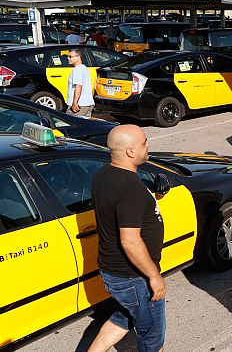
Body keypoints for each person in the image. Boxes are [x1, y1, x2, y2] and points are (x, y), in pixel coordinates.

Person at [88, 125, 166, 352]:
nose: (148, 145)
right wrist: (154, 276)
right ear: (130, 151)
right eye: (144, 142)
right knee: (152, 335)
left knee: (125, 316)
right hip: (134, 276)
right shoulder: (130, 188)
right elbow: (130, 240)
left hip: (113, 272)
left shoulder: (103, 174)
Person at [66, 48, 95, 117]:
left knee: (68, 122)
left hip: (79, 105)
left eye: (70, 56)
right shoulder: (85, 68)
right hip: (87, 104)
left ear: (78, 57)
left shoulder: (77, 69)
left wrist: (75, 103)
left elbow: (78, 86)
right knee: (85, 123)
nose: (68, 58)